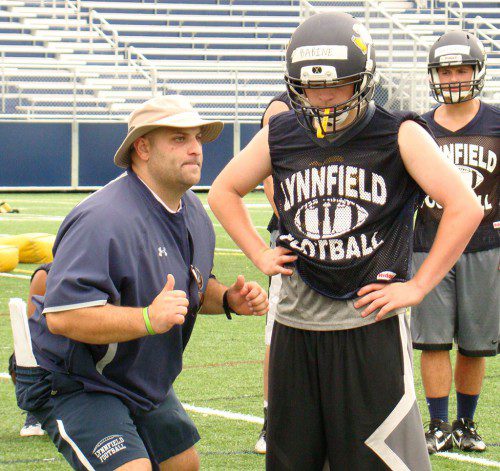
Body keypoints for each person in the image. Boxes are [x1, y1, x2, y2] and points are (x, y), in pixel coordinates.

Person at [208, 12, 483, 471]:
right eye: (310, 86)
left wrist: (417, 286)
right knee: (294, 458)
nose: (322, 97)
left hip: (368, 323)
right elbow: (223, 191)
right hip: (296, 321)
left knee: (378, 458)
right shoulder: (282, 131)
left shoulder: (399, 133)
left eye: (337, 84)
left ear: (365, 79)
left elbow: (465, 206)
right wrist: (258, 250)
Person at [15, 95, 269, 471]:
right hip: (76, 379)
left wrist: (229, 300)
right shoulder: (102, 218)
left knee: (184, 466)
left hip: (140, 379)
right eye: (179, 139)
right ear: (143, 147)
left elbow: (193, 288)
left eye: (197, 138)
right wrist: (148, 319)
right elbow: (64, 317)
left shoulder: (193, 212)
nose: (196, 149)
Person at [412, 30, 499, 454]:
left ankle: (466, 423)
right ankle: (438, 424)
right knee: (433, 339)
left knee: (475, 342)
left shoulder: (498, 122)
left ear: (477, 71)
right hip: (429, 243)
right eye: (444, 70)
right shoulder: (418, 127)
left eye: (460, 68)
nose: (452, 78)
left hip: (486, 246)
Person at [255, 92, 291, 455]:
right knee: (278, 329)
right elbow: (268, 172)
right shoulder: (282, 108)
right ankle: (272, 419)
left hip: (340, 235)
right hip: (294, 234)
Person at [8, 262, 51, 437]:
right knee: (20, 358)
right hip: (56, 347)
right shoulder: (46, 274)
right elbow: (35, 329)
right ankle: (37, 408)